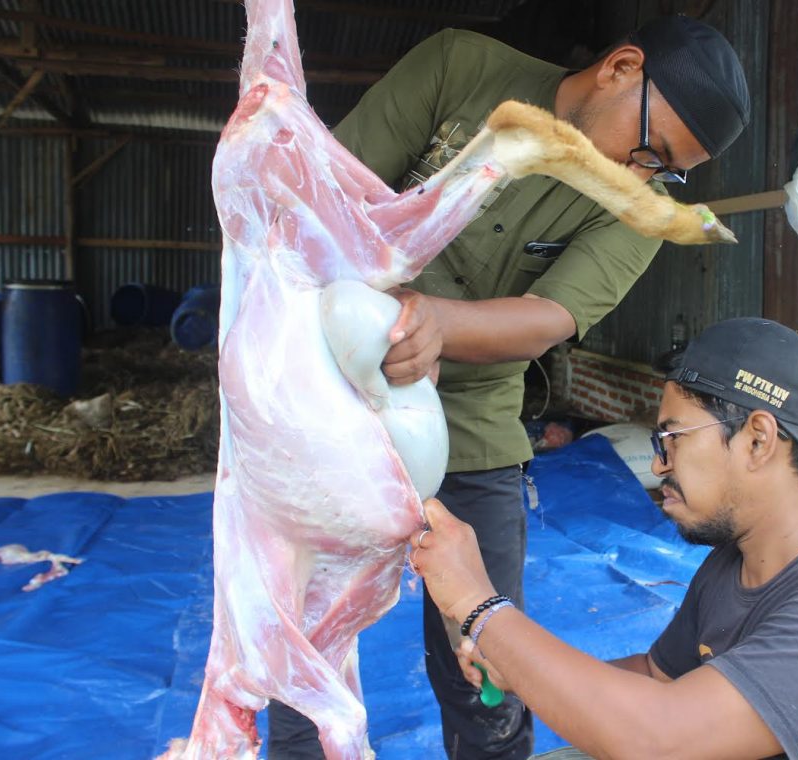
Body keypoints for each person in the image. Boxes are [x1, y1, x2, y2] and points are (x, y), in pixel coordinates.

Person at [267, 15, 751, 760]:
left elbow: (549, 316)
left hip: (470, 430)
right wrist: (372, 318)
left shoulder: (637, 204)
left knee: (485, 656)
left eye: (669, 171)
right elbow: (326, 198)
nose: (643, 174)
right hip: (336, 401)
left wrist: (436, 323)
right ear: (621, 67)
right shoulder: (460, 68)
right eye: (649, 148)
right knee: (308, 648)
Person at [410, 317, 798, 759]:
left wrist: (478, 605)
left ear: (758, 440)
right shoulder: (736, 563)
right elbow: (658, 678)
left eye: (672, 437)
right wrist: (517, 665)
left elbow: (660, 740)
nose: (659, 465)